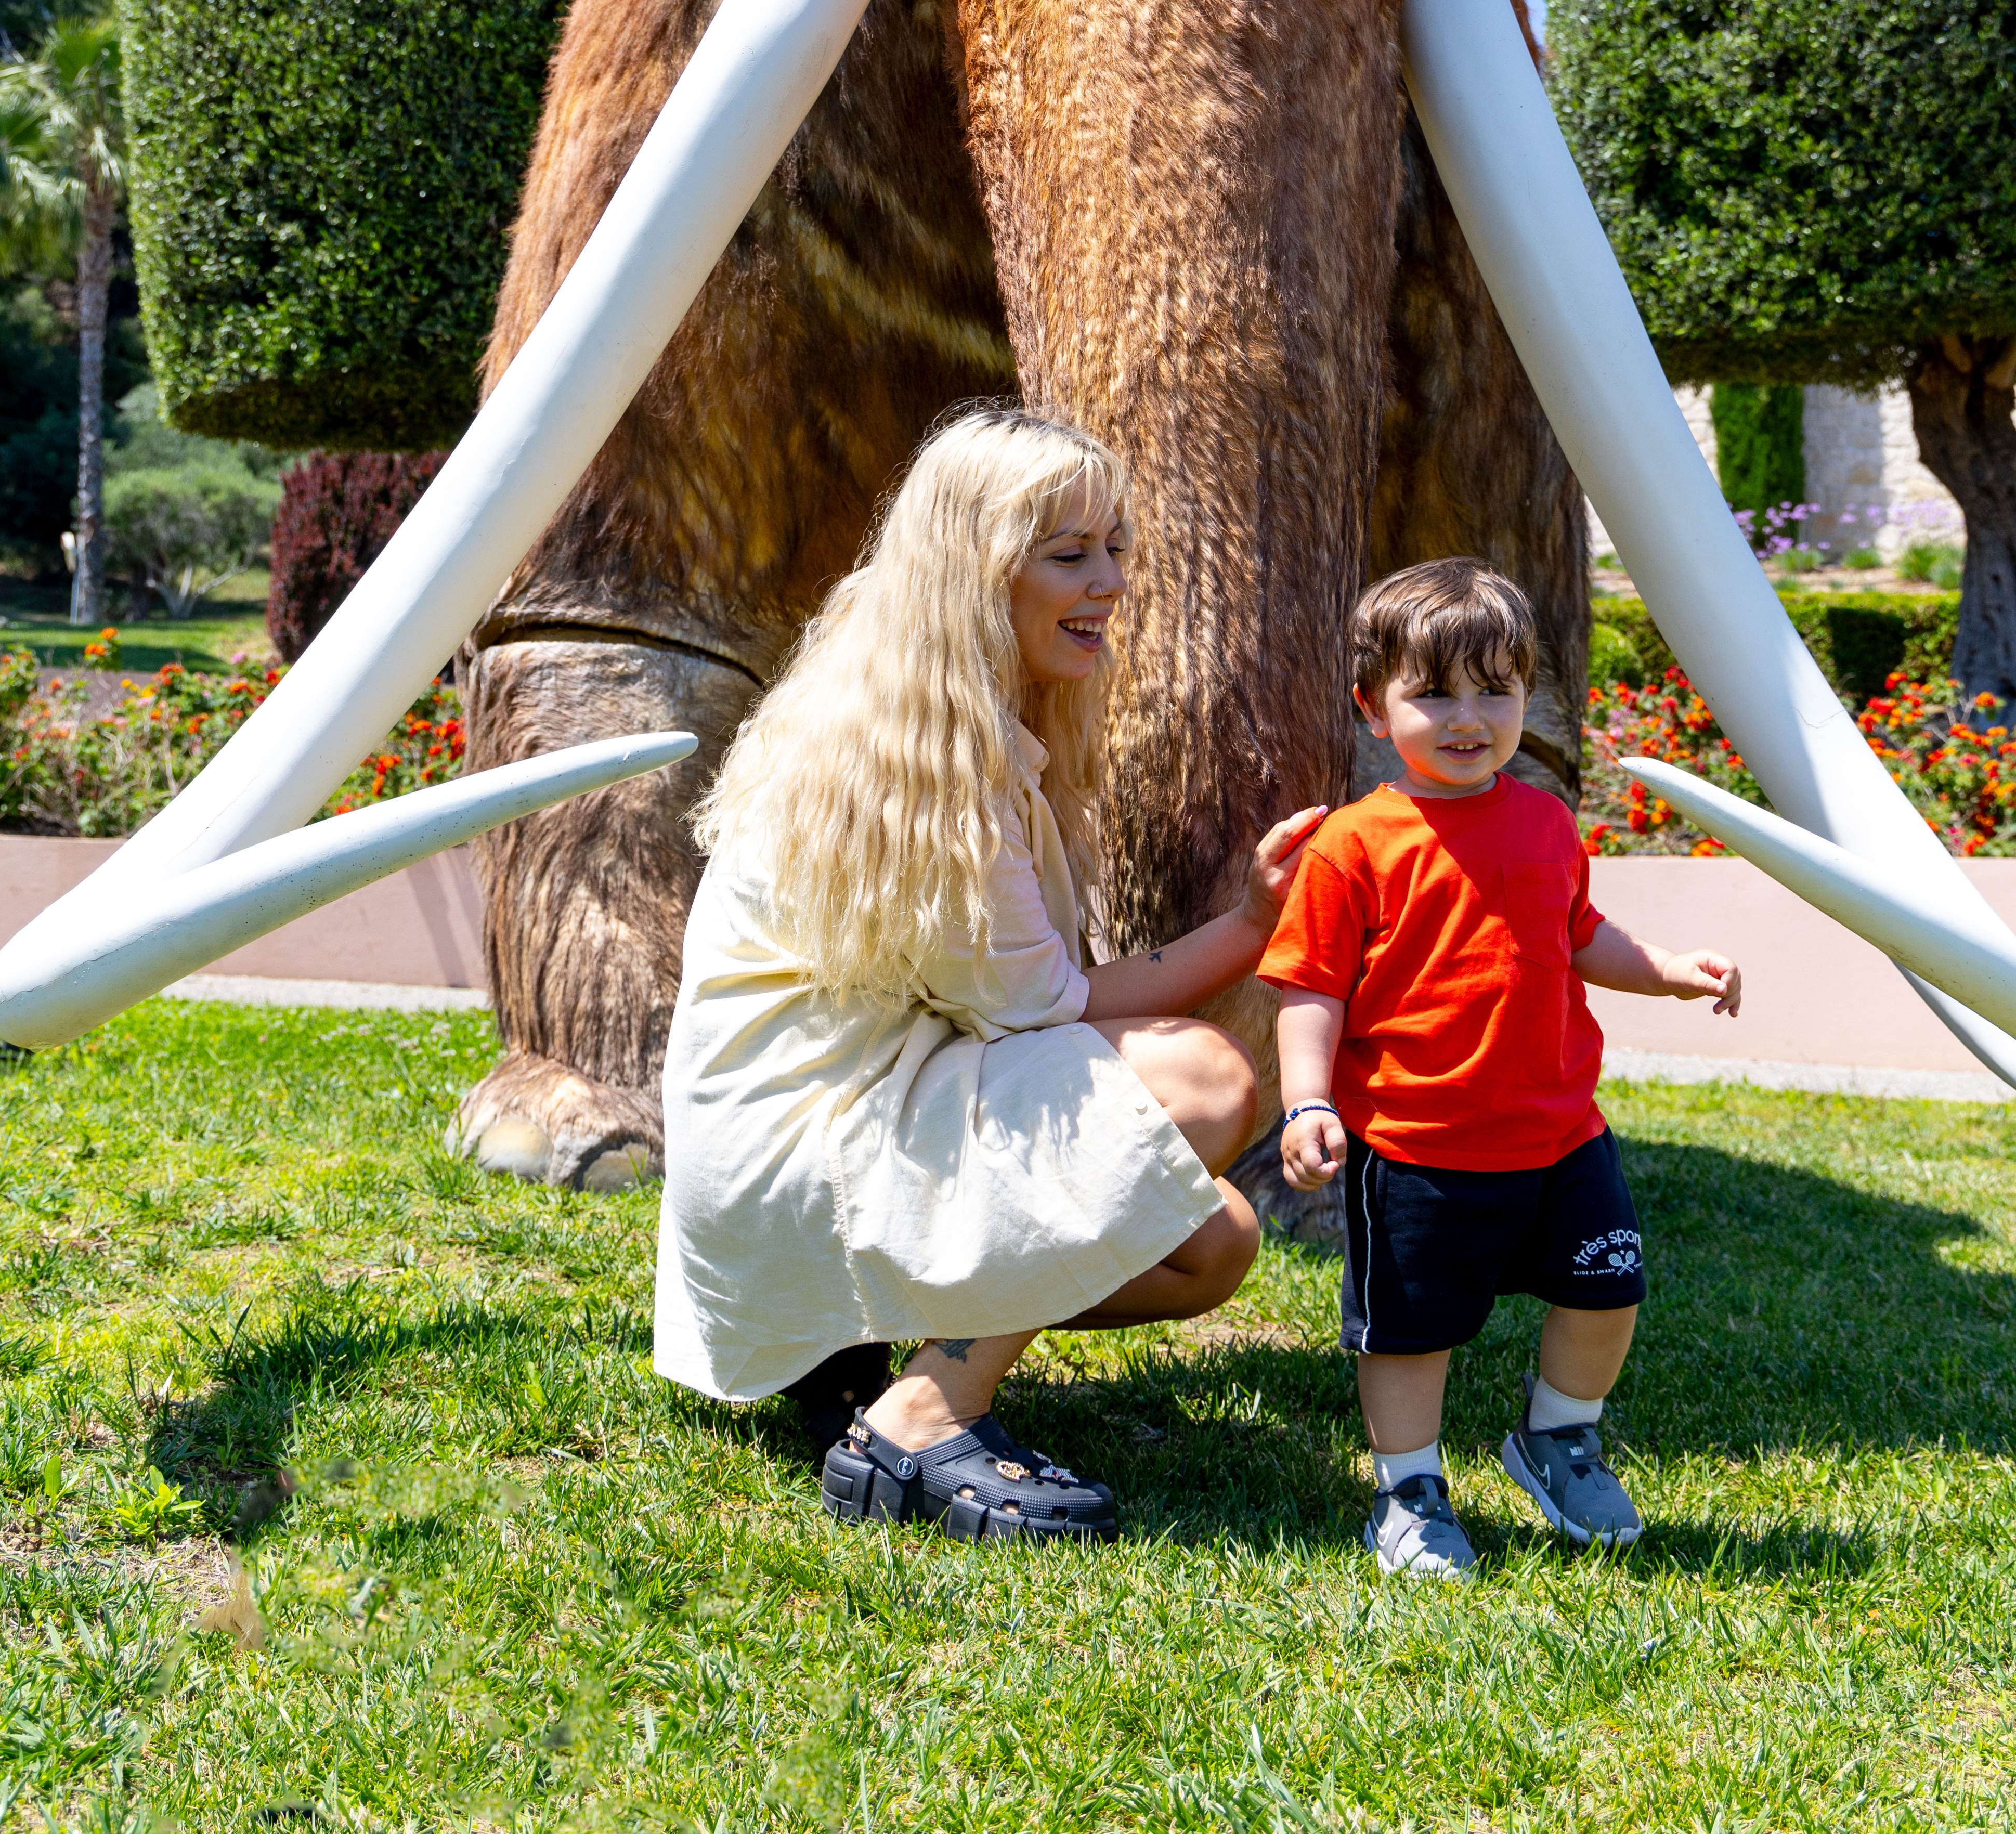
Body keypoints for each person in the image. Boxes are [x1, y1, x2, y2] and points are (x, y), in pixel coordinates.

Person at [653, 404, 1324, 1543]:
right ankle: (918, 1417)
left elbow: (1029, 1006)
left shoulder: (923, 717)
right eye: (1067, 555)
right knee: (1201, 1087)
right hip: (803, 1167)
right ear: (971, 575)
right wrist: (1248, 933)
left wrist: (1252, 920)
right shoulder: (920, 773)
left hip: (833, 1149)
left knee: (1207, 1237)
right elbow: (1048, 1014)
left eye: (1115, 547)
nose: (1107, 581)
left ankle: (861, 1347)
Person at [1263, 557, 1742, 1580]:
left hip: (1561, 1133)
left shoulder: (1542, 820)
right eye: (1432, 692)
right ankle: (1408, 1496)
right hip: (1416, 1149)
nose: (1466, 714)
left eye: (1495, 687)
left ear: (1526, 695)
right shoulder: (1351, 847)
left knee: (1607, 1289)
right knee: (1408, 1334)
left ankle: (1556, 1438)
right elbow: (1309, 986)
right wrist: (1306, 1098)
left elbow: (1576, 935)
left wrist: (1662, 971)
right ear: (1370, 705)